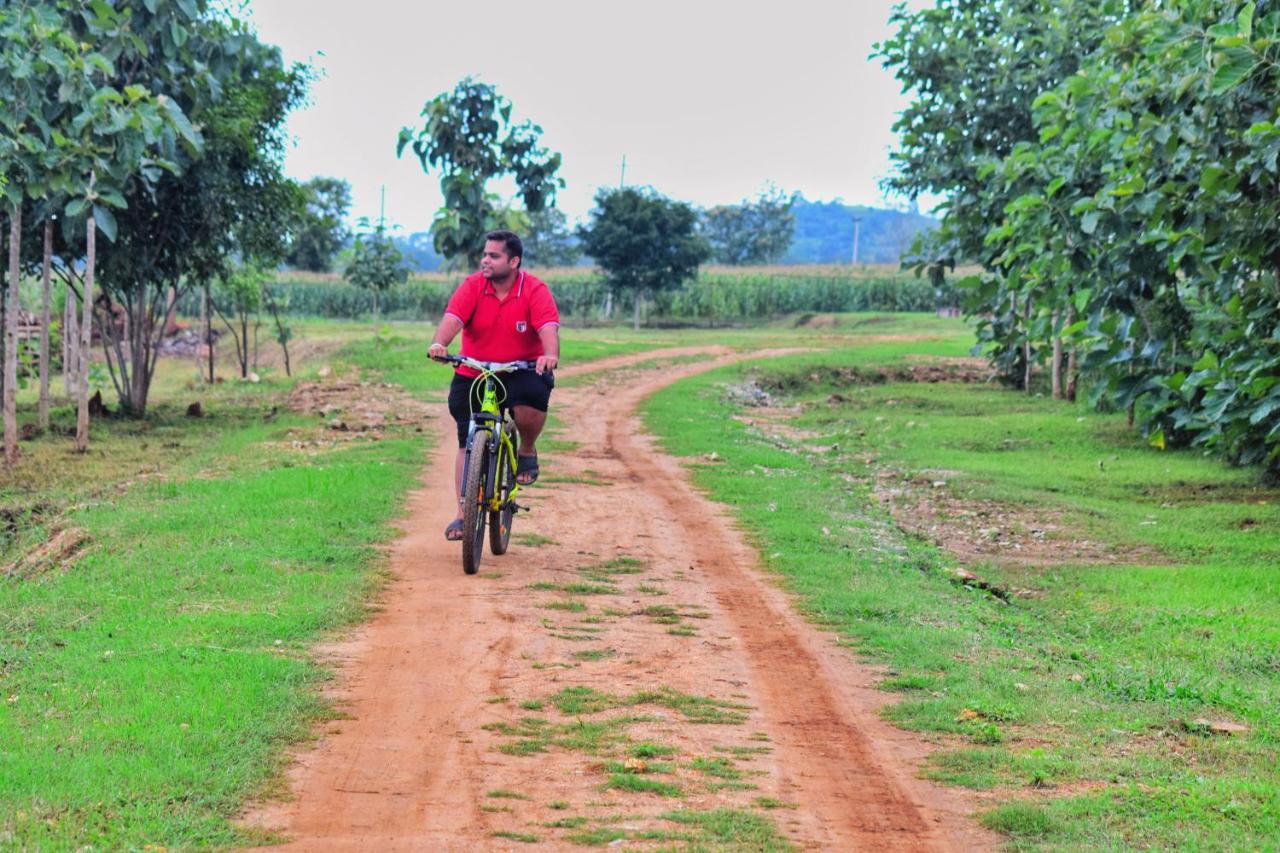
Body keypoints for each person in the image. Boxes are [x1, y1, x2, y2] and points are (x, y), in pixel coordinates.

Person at [428, 230, 560, 541]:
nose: (485, 260)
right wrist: (439, 343)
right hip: (476, 370)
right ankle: (463, 514)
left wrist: (549, 355)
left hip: (519, 368)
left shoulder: (535, 289)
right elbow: (453, 319)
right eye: (484, 254)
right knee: (467, 438)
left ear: (513, 261)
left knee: (533, 398)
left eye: (494, 255)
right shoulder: (473, 286)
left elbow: (547, 327)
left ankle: (526, 449)